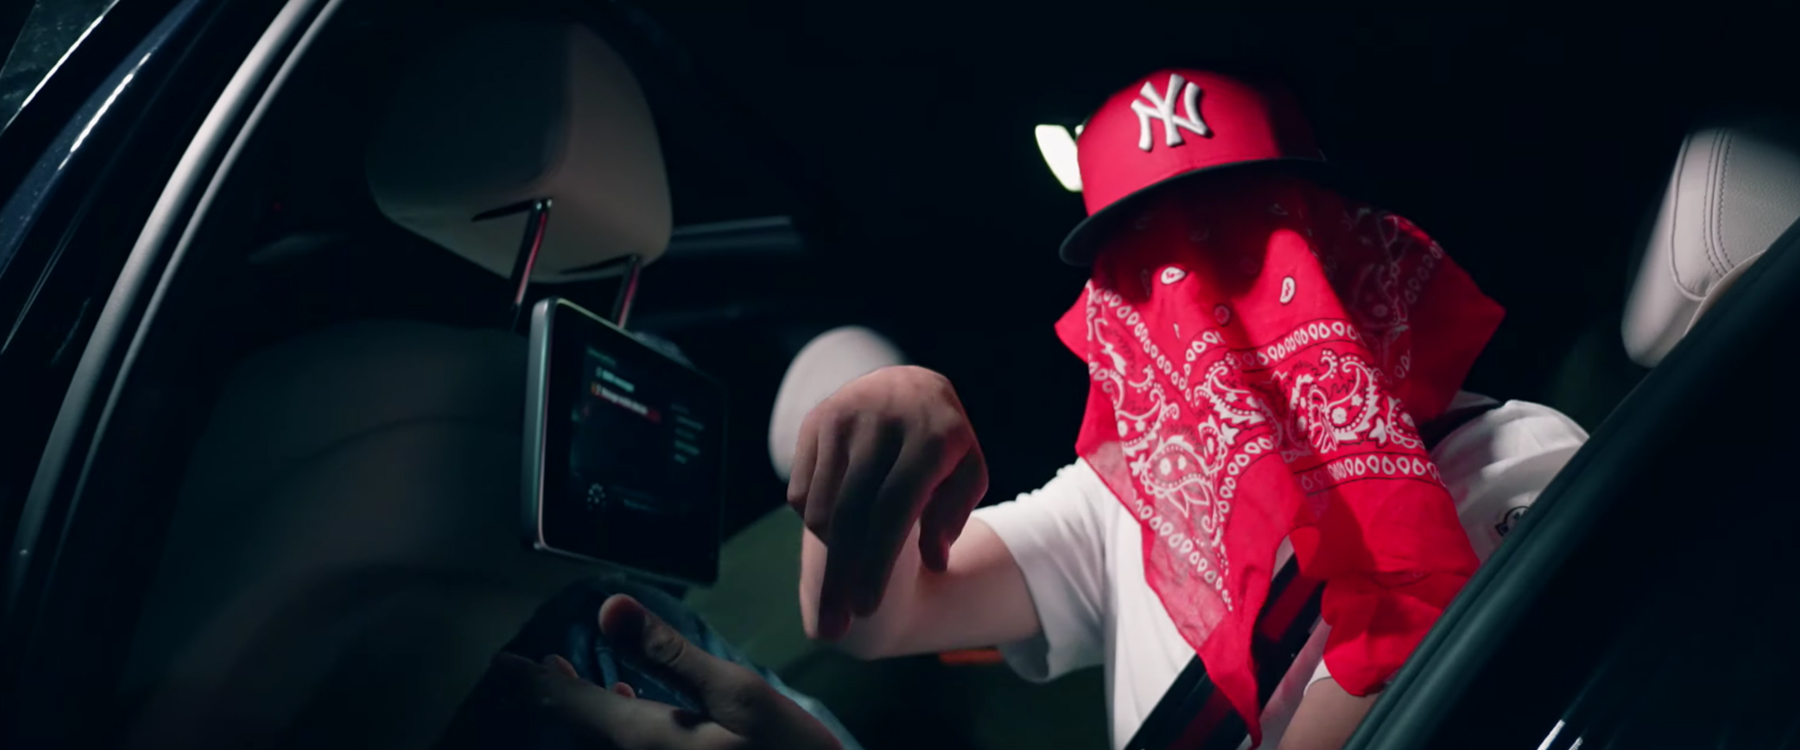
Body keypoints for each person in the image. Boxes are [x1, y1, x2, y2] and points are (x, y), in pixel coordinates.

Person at [787, 69, 1589, 750]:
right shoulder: (1125, 507)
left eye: (1255, 238)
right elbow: (868, 619)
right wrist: (872, 428)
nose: (1204, 301)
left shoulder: (1510, 455)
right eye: (1150, 266)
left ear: (1347, 244)